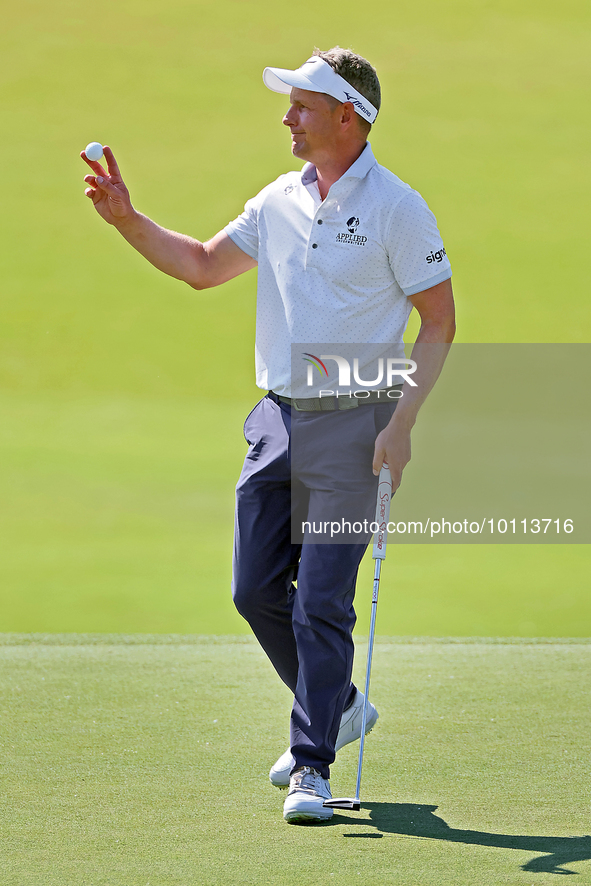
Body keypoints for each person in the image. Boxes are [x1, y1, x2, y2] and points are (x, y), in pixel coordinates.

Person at [81, 47, 455, 824]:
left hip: (357, 421)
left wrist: (404, 425)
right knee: (252, 589)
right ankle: (340, 706)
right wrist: (127, 220)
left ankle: (311, 766)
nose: (286, 117)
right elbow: (201, 266)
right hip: (277, 420)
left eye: (302, 106)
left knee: (322, 601)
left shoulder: (395, 206)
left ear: (347, 117)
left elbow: (439, 321)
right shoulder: (278, 198)